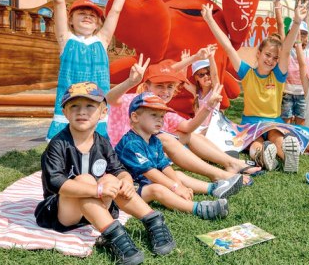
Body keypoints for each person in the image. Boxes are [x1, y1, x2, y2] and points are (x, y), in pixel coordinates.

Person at [35, 82, 175, 265]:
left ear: (103, 112)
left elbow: (118, 169)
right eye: (74, 106)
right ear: (65, 113)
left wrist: (126, 180)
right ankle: (116, 235)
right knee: (85, 180)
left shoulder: (102, 142)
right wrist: (97, 190)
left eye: (89, 106)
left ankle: (153, 221)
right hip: (65, 213)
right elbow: (55, 182)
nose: (81, 112)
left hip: (99, 207)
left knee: (112, 179)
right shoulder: (58, 144)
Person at [107, 54, 259, 184]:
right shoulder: (132, 100)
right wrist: (130, 82)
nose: (165, 91)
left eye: (170, 87)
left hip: (150, 157)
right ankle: (218, 174)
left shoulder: (165, 112)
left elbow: (188, 127)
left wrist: (208, 106)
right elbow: (109, 99)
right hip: (127, 158)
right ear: (147, 88)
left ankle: (231, 163)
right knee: (164, 138)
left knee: (187, 135)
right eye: (159, 86)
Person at [202, 0, 307, 173]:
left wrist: (296, 22)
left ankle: (287, 156)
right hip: (251, 124)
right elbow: (228, 47)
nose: (271, 60)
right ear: (258, 54)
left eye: (275, 58)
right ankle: (262, 155)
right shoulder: (246, 72)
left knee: (276, 136)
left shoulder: (278, 75)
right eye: (267, 55)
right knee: (255, 142)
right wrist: (210, 20)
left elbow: (287, 50)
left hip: (273, 122)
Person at [42, 0, 133, 140]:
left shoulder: (102, 40)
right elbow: (59, 2)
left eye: (92, 16)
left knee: (97, 148)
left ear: (98, 23)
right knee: (64, 149)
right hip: (70, 104)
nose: (87, 17)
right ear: (71, 20)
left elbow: (116, 10)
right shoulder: (66, 39)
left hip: (96, 105)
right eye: (81, 13)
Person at [116, 93, 242, 220]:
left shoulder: (154, 140)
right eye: (154, 115)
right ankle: (198, 208)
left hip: (145, 182)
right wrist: (176, 187)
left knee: (177, 175)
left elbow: (164, 166)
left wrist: (179, 185)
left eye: (162, 116)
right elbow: (150, 172)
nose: (160, 120)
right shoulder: (131, 143)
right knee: (157, 189)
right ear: (135, 117)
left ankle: (214, 188)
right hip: (130, 190)